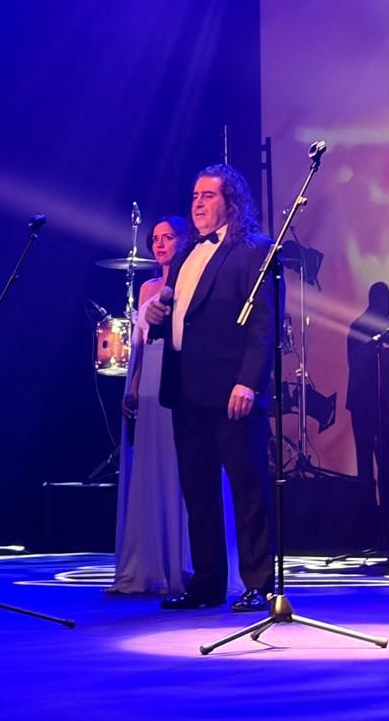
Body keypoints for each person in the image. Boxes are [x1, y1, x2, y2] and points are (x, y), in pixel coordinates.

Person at [142, 166, 275, 612]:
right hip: (187, 388)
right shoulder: (185, 255)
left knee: (248, 488)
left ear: (231, 201)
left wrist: (248, 382)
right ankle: (207, 582)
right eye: (194, 195)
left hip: (232, 391)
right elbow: (183, 316)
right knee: (197, 490)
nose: (197, 203)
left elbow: (263, 325)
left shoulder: (253, 249)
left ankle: (260, 584)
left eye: (208, 195)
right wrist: (157, 319)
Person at [113, 215, 240, 596]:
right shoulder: (148, 287)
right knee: (150, 468)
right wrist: (133, 385)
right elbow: (139, 343)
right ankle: (150, 561)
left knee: (186, 469)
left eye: (168, 237)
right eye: (155, 238)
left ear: (183, 241)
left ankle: (187, 563)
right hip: (150, 381)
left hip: (182, 377)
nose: (160, 244)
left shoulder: (191, 278)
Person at [346, 282, 389, 531]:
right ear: (380, 300)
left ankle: (369, 520)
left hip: (364, 402)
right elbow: (387, 363)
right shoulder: (379, 327)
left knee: (367, 461)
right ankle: (386, 520)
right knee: (383, 461)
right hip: (373, 402)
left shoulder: (358, 325)